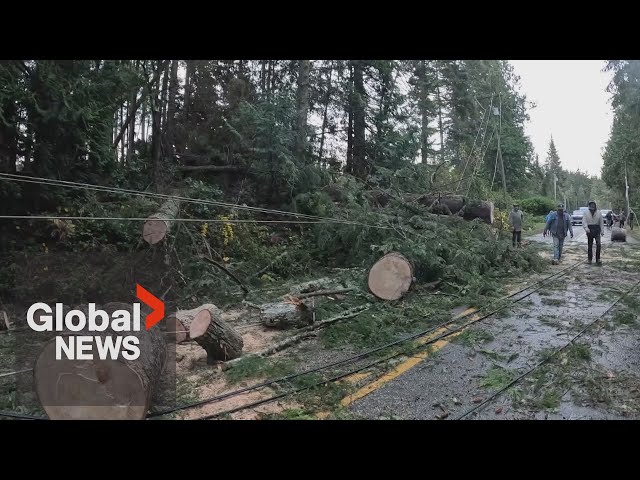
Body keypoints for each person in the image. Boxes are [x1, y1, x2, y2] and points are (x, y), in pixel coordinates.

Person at [582, 200, 604, 266]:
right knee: (590, 245)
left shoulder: (599, 213)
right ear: (589, 207)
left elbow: (601, 222)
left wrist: (602, 231)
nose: (592, 208)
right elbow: (584, 221)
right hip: (589, 229)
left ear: (595, 206)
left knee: (598, 244)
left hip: (597, 229)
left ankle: (598, 259)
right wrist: (586, 228)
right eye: (591, 206)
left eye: (593, 206)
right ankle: (589, 259)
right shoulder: (586, 213)